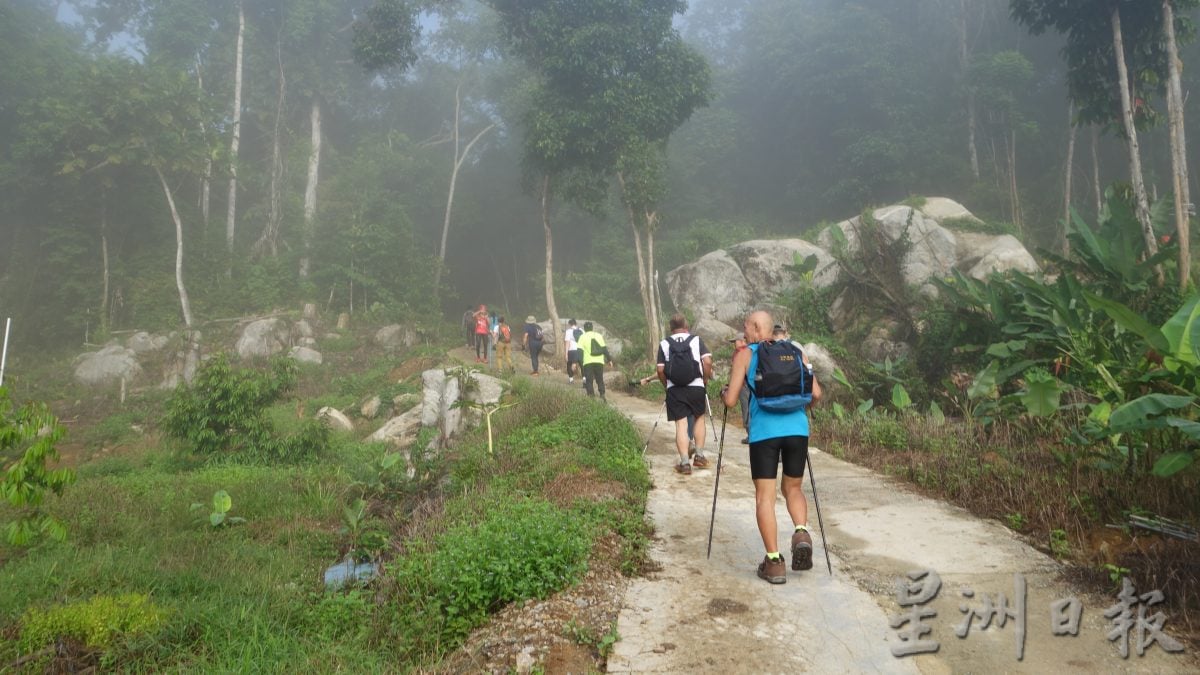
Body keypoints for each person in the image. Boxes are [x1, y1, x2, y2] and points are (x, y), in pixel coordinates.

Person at [721, 310, 823, 584]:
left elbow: (731, 401)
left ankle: (775, 562)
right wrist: (803, 410)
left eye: (745, 327)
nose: (743, 333)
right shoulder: (795, 351)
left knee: (765, 497)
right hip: (797, 430)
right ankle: (801, 532)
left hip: (765, 433)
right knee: (793, 488)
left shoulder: (746, 355)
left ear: (756, 328)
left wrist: (723, 393)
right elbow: (816, 394)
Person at [656, 314, 713, 475]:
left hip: (675, 388)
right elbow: (707, 361)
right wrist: (705, 379)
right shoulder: (696, 340)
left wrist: (667, 385)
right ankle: (700, 456)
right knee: (699, 419)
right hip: (696, 386)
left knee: (681, 424)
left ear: (670, 328)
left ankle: (684, 463)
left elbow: (660, 370)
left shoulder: (664, 343)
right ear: (685, 325)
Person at [576, 321, 610, 400]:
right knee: (600, 378)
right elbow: (604, 349)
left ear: (584, 329)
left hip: (588, 362)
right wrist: (609, 360)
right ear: (592, 328)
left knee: (589, 380)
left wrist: (578, 362)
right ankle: (602, 394)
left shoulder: (582, 337)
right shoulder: (599, 336)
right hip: (599, 361)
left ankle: (591, 396)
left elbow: (579, 351)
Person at [729, 331, 751, 443]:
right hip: (748, 384)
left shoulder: (741, 353)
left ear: (742, 341)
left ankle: (751, 434)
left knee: (746, 408)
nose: (734, 344)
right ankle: (751, 434)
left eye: (735, 341)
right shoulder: (751, 351)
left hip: (744, 385)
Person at [564, 319, 584, 384]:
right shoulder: (581, 330)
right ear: (576, 324)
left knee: (569, 364)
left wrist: (566, 353)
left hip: (572, 350)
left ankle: (571, 379)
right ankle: (585, 381)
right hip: (581, 350)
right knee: (582, 366)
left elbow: (567, 342)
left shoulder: (568, 331)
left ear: (569, 324)